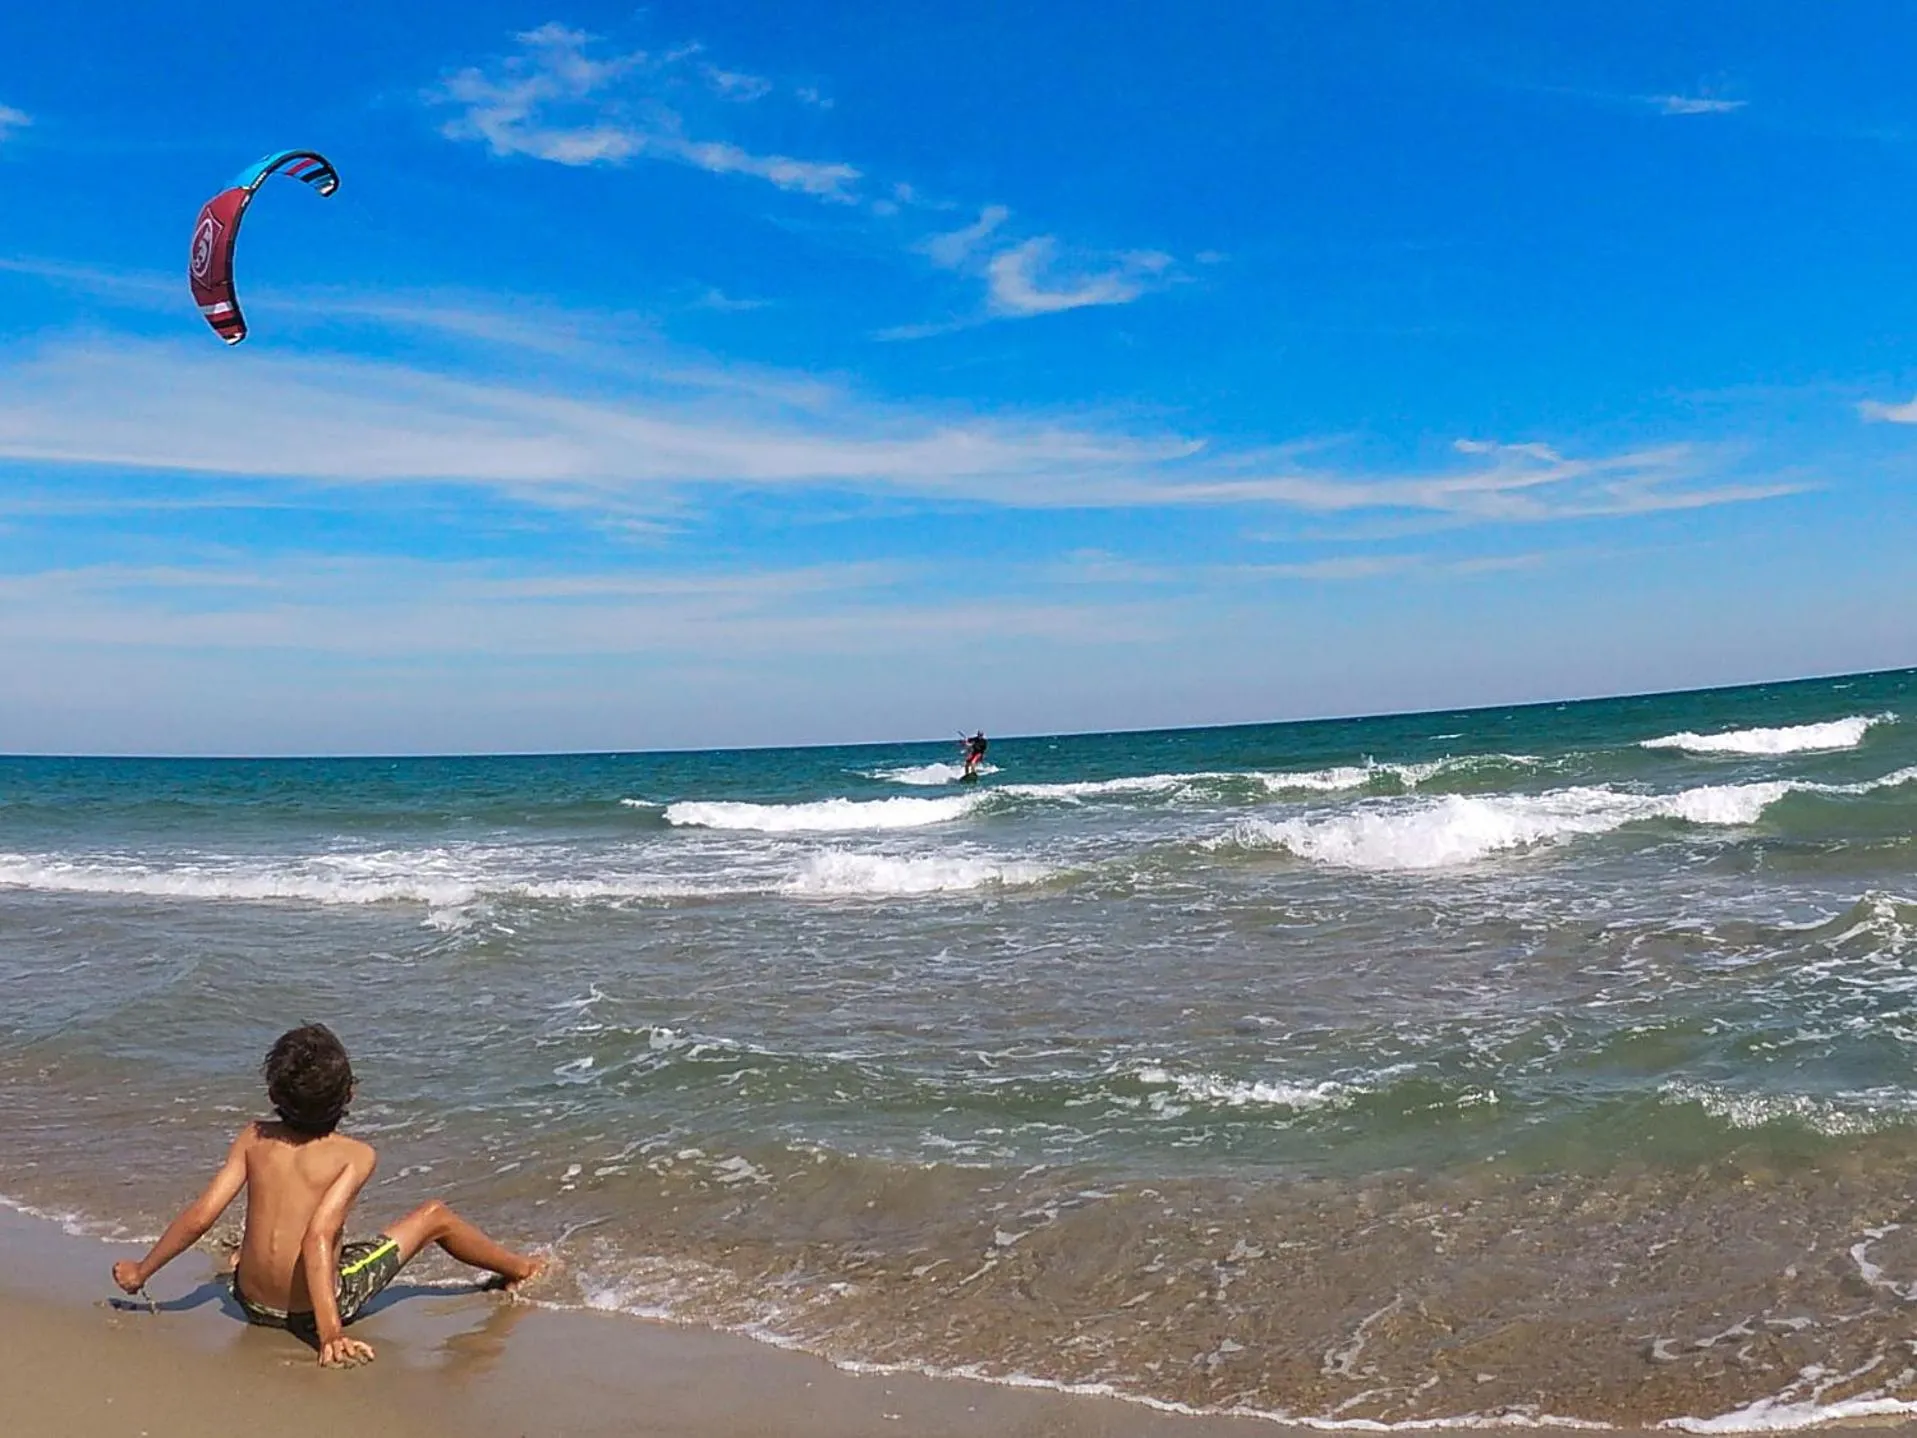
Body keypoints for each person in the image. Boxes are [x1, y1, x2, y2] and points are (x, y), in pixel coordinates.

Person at [111, 1022, 545, 1368]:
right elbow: (317, 1237)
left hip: (248, 1300)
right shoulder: (355, 1155)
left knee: (263, 1241)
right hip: (309, 1311)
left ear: (273, 1095)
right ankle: (522, 1268)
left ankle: (249, 1265)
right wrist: (331, 1332)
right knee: (435, 1216)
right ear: (350, 1093)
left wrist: (141, 1272)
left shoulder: (253, 1136)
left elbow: (202, 1214)